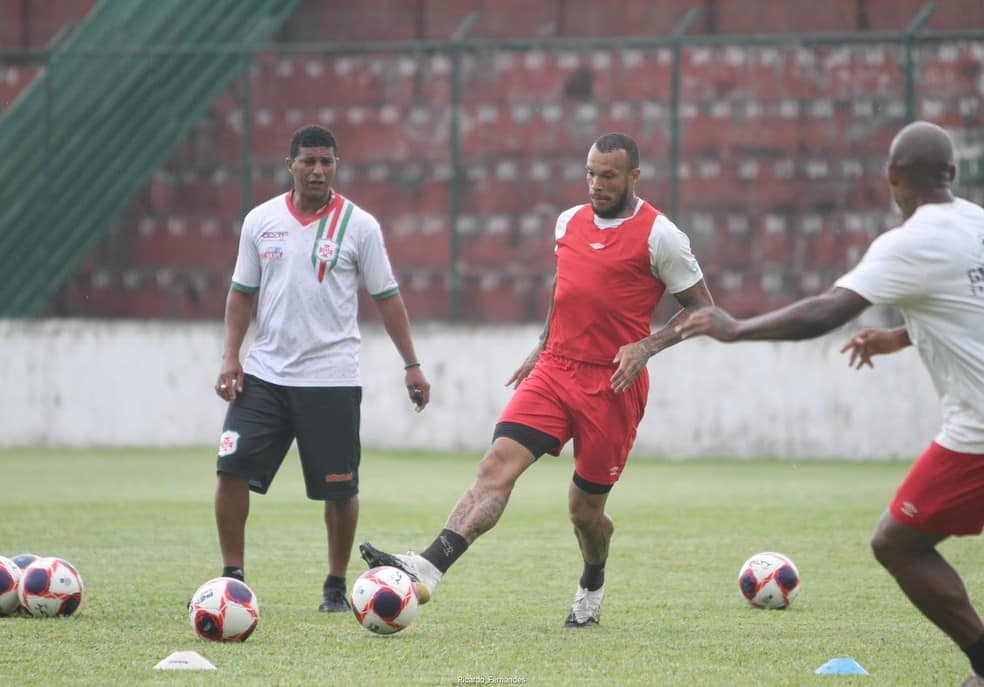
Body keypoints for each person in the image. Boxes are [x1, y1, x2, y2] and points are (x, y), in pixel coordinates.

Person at [674, 121, 984, 686]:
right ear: (953, 173)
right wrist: (903, 336)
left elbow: (828, 310)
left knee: (898, 544)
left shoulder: (909, 242)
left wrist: (736, 328)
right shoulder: (978, 224)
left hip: (978, 436)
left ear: (892, 176)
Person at [360, 132, 714, 627]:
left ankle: (592, 577)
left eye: (608, 176)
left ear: (634, 176)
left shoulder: (661, 236)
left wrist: (645, 346)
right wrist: (543, 343)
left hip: (612, 385)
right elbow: (564, 285)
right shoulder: (568, 221)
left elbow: (702, 309)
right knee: (496, 466)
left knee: (584, 513)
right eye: (590, 173)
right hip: (555, 370)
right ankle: (429, 567)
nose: (596, 184)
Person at [211, 124, 430, 613]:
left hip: (331, 379)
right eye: (308, 161)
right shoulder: (260, 221)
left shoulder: (359, 225)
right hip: (265, 376)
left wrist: (412, 364)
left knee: (340, 489)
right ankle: (232, 577)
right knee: (230, 470)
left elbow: (387, 298)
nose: (317, 170)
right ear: (289, 165)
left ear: (336, 165)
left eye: (326, 161)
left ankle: (334, 585)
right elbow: (242, 293)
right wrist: (230, 355)